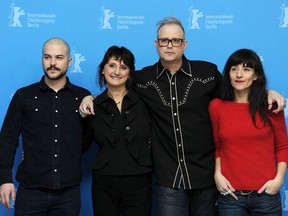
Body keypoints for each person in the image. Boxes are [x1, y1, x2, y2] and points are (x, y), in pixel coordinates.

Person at [79, 17, 286, 216]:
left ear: (184, 44)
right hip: (168, 178)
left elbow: (236, 94)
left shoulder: (207, 73)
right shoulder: (142, 79)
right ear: (156, 44)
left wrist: (267, 92)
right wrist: (91, 98)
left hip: (205, 175)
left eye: (175, 40)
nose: (169, 45)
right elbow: (117, 87)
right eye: (164, 40)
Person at [0, 37, 90, 215]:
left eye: (59, 57)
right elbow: (8, 138)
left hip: (68, 194)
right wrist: (4, 179)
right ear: (42, 60)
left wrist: (93, 97)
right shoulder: (23, 96)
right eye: (47, 57)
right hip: (30, 191)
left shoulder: (82, 97)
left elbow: (89, 135)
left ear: (69, 61)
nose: (53, 63)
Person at [209, 48, 288, 215]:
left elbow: (282, 147)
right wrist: (218, 174)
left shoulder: (271, 106)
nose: (239, 74)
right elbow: (218, 147)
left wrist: (279, 180)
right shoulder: (217, 106)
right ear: (228, 74)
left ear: (255, 75)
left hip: (266, 195)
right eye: (234, 69)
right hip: (231, 197)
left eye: (246, 69)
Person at [82, 46, 152, 216]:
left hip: (139, 179)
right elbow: (80, 143)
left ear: (130, 73)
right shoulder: (93, 106)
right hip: (104, 182)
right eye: (112, 65)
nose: (117, 72)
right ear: (103, 68)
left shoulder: (145, 101)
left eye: (123, 67)